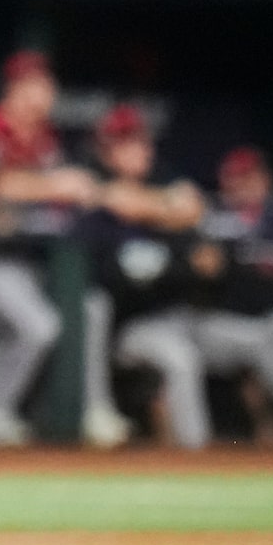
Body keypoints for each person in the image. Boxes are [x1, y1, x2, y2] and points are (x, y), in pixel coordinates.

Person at [0, 51, 95, 446]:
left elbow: (65, 195)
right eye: (31, 85)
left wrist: (73, 188)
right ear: (13, 90)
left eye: (45, 84)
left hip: (25, 260)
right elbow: (0, 185)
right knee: (39, 327)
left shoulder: (44, 138)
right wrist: (57, 185)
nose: (41, 94)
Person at [80, 106, 212, 446]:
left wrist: (155, 209)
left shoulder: (162, 179)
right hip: (126, 325)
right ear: (107, 150)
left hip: (175, 315)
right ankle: (196, 455)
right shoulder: (93, 186)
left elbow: (196, 212)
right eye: (126, 143)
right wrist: (165, 210)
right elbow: (112, 197)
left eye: (140, 141)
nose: (140, 150)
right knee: (179, 358)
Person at [182, 147, 273, 441]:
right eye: (234, 180)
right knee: (267, 342)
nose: (242, 187)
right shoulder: (210, 222)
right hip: (218, 324)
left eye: (249, 178)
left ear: (266, 179)